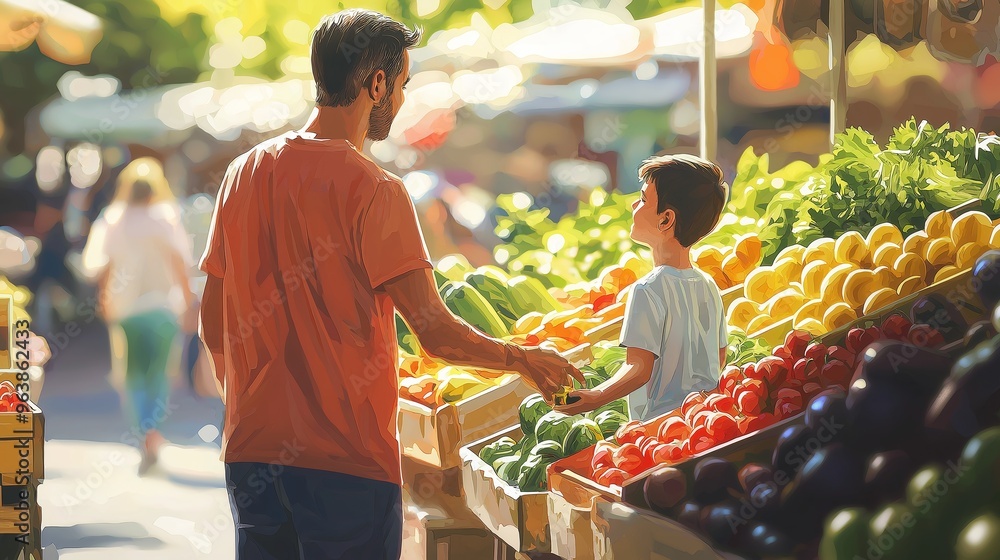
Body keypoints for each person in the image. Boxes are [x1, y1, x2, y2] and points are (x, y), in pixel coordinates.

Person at [197, 9, 582, 560]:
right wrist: (522, 359)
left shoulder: (245, 172)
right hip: (346, 463)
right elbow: (434, 333)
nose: (399, 102)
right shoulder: (377, 190)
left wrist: (243, 399)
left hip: (252, 456)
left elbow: (213, 314)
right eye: (400, 85)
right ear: (376, 83)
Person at [556, 155, 730, 422]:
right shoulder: (708, 285)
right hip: (704, 417)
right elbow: (719, 358)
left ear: (665, 220)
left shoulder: (648, 289)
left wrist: (596, 397)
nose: (634, 205)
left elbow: (638, 369)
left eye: (644, 200)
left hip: (660, 426)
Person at [82, 157, 197, 474]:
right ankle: (152, 431)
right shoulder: (165, 217)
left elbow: (100, 266)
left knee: (131, 374)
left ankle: (143, 432)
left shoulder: (114, 219)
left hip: (127, 308)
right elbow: (180, 262)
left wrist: (105, 299)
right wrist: (189, 302)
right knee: (159, 374)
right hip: (162, 308)